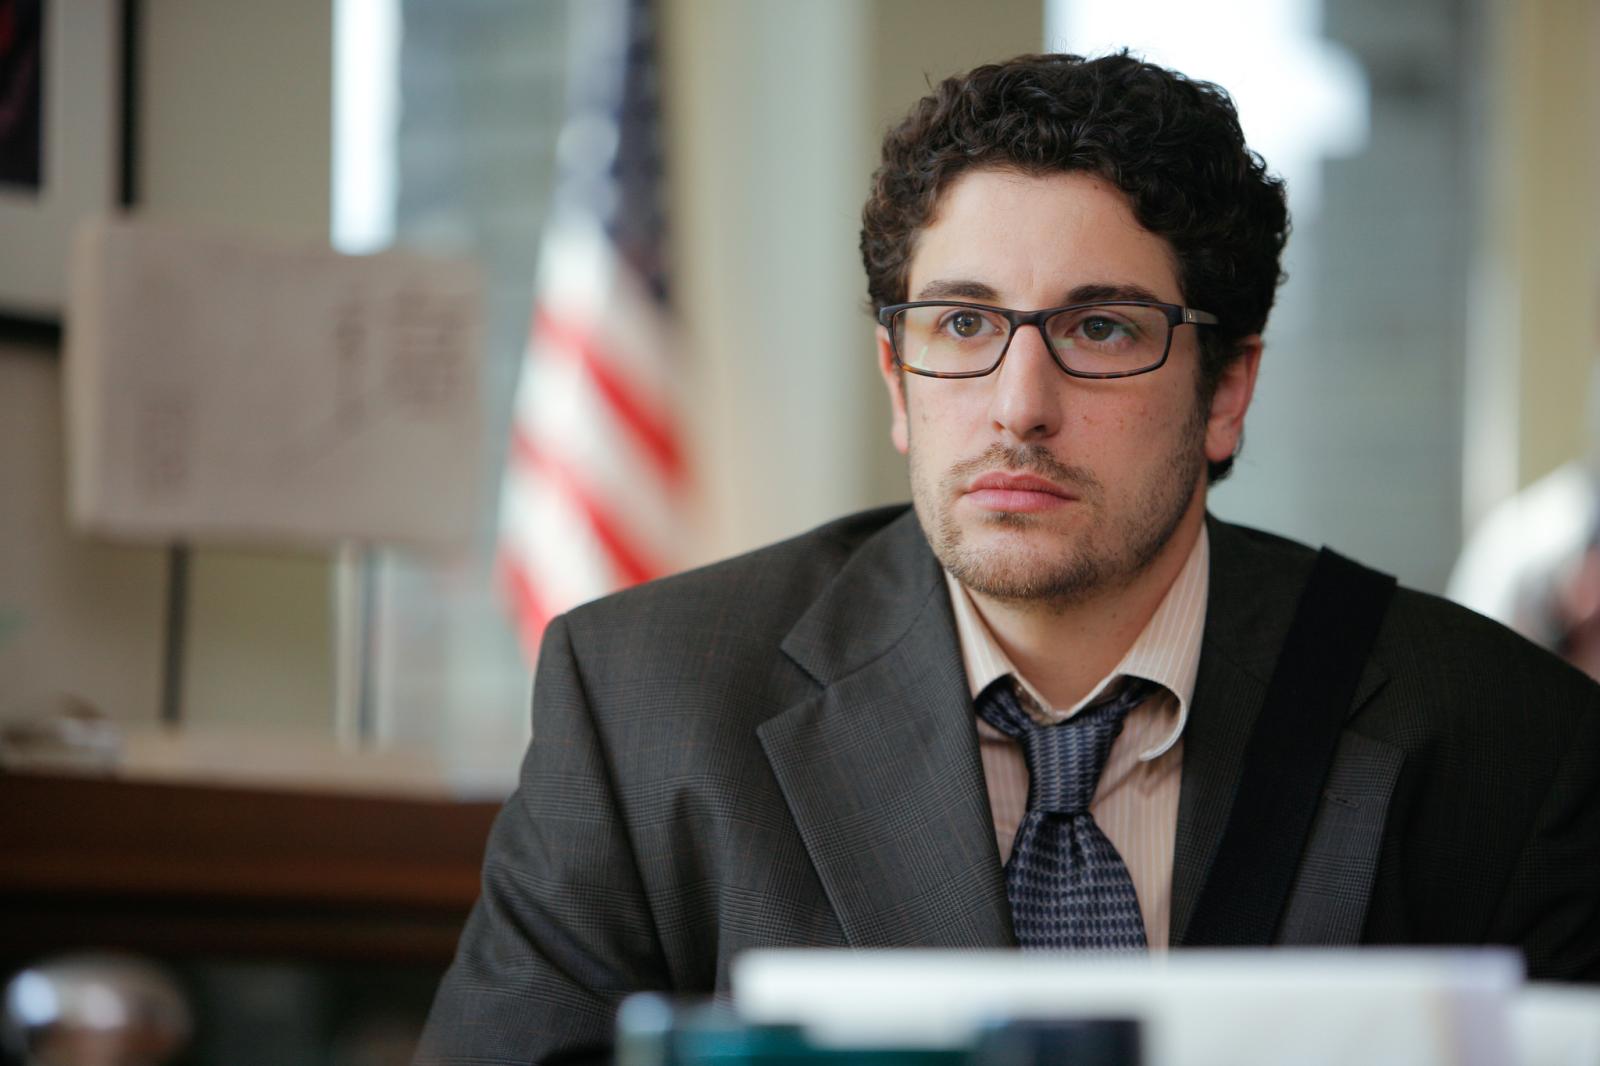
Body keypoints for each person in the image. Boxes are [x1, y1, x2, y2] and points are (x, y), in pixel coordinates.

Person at [416, 52, 1600, 1065]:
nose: (1017, 404)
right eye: (963, 323)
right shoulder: (645, 706)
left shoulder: (1506, 737)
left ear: (1226, 390)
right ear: (897, 381)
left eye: (1101, 328)